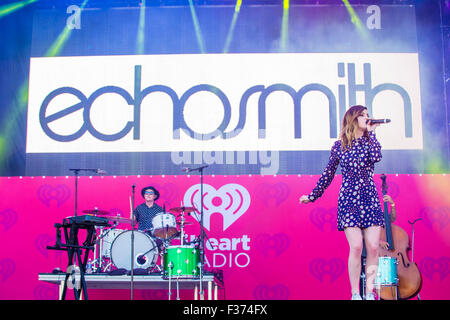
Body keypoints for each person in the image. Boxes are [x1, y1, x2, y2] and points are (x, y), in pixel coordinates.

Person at [299, 105, 384, 300]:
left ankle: (369, 292)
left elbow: (377, 157)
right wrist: (312, 195)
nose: (367, 118)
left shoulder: (370, 141)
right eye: (362, 115)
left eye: (368, 115)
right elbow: (328, 174)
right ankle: (355, 293)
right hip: (349, 199)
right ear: (353, 119)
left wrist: (373, 134)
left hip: (369, 196)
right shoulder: (339, 146)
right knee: (356, 247)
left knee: (372, 246)